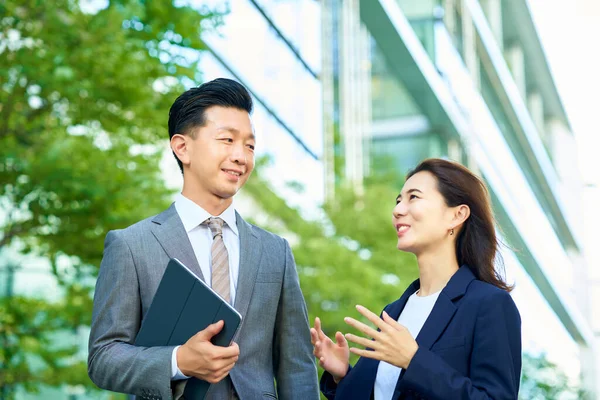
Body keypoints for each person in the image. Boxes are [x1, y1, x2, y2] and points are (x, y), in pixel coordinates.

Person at [88, 78, 319, 400]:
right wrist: (178, 360)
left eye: (250, 145)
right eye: (227, 140)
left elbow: (297, 366)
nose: (241, 156)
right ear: (182, 147)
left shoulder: (274, 251)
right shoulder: (131, 245)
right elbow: (103, 358)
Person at [312, 158, 522, 400]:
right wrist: (342, 376)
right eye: (399, 200)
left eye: (414, 197)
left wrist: (414, 360)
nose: (398, 210)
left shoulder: (488, 304)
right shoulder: (394, 312)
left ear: (457, 215)